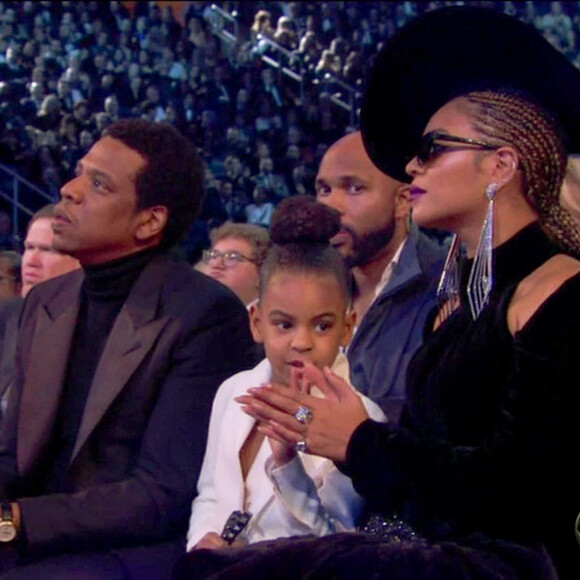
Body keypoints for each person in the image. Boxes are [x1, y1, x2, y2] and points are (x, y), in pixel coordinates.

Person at [181, 7, 580, 579]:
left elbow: (528, 492)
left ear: (501, 165)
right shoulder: (456, 304)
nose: (412, 165)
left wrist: (361, 441)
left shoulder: (560, 290)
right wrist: (339, 442)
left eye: (434, 148)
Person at [0, 119, 257, 579]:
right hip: (32, 535)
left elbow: (161, 494)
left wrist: (13, 521)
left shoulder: (205, 314)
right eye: (79, 172)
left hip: (127, 552)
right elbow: (13, 455)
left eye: (98, 183)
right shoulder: (45, 301)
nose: (69, 189)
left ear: (150, 221)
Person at [175, 197, 384, 572]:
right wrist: (202, 547)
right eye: (284, 324)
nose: (301, 342)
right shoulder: (233, 390)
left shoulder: (361, 418)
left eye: (321, 325)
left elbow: (337, 546)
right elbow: (209, 496)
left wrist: (288, 465)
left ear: (347, 326)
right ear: (256, 321)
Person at [315, 131, 446, 417]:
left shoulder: (446, 290)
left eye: (353, 188)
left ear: (403, 201)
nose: (330, 206)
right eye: (324, 190)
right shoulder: (311, 287)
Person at [0, 205, 80, 422]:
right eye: (29, 247)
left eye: (47, 250)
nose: (31, 262)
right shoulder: (9, 314)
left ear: (80, 262)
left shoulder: (89, 330)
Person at [202, 222, 270, 308]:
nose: (216, 265)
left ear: (262, 274)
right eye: (213, 256)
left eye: (231, 257)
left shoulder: (269, 319)